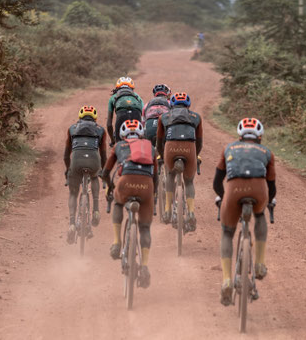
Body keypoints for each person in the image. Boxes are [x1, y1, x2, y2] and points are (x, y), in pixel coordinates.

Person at [213, 117, 276, 306]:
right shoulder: (267, 152)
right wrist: (270, 201)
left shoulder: (228, 148)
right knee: (260, 215)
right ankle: (259, 263)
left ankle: (226, 279)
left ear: (240, 135)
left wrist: (223, 197)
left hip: (233, 191)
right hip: (258, 191)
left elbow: (217, 181)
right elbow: (272, 187)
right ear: (260, 136)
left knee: (227, 232)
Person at [100, 119, 158, 288]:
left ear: (123, 134)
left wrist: (110, 187)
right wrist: (152, 195)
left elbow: (106, 172)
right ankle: (145, 265)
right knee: (145, 228)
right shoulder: (150, 147)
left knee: (118, 204)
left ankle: (117, 242)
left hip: (125, 183)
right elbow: (156, 176)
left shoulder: (119, 146)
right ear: (141, 134)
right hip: (146, 185)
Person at [156, 92, 203, 231]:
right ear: (188, 105)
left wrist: (162, 156)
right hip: (190, 149)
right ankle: (191, 212)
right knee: (189, 181)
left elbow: (159, 141)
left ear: (171, 104)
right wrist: (196, 155)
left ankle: (167, 210)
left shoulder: (163, 117)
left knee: (170, 175)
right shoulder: (196, 117)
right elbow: (199, 142)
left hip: (171, 148)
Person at [63, 105, 108, 244]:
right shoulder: (100, 130)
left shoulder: (72, 129)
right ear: (95, 118)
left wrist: (68, 170)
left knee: (73, 193)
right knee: (94, 176)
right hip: (94, 161)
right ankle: (95, 210)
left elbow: (66, 155)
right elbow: (104, 154)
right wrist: (103, 171)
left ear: (80, 117)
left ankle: (71, 223)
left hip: (76, 162)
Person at [106, 76, 144, 145]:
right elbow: (144, 115)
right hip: (136, 115)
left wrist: (112, 140)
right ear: (132, 88)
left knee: (119, 145)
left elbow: (109, 124)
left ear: (117, 87)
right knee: (138, 143)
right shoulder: (137, 96)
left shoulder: (113, 97)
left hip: (121, 116)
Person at [142, 84, 172, 148]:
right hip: (164, 126)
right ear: (166, 94)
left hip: (150, 127)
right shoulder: (170, 103)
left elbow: (143, 122)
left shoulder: (147, 104)